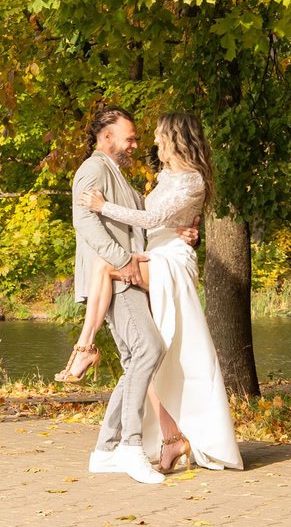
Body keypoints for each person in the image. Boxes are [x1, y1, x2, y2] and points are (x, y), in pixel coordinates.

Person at [77, 110, 246, 478]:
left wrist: (104, 206)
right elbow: (153, 218)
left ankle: (84, 347)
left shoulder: (192, 179)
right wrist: (179, 229)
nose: (152, 142)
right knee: (155, 354)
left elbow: (153, 219)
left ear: (175, 139)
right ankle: (170, 439)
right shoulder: (164, 176)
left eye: (158, 136)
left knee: (106, 268)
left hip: (169, 261)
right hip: (152, 255)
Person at [70, 108, 176, 484]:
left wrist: (181, 232)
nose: (134, 144)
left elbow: (144, 220)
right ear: (106, 137)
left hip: (127, 276)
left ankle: (105, 452)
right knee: (149, 349)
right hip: (116, 278)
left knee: (135, 360)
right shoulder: (93, 168)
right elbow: (84, 220)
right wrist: (122, 260)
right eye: (128, 138)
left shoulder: (117, 175)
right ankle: (131, 446)